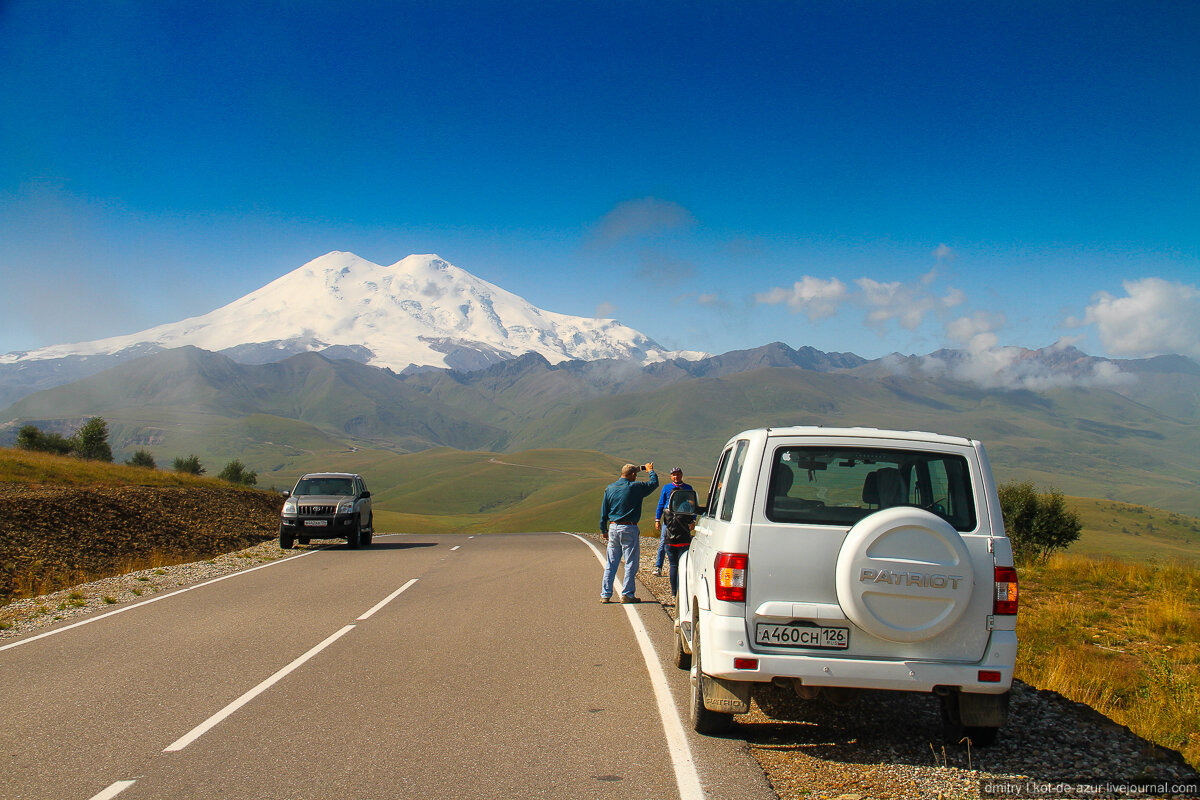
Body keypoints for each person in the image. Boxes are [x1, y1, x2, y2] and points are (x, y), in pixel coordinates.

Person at [599, 462, 659, 604]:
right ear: (632, 475)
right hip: (629, 528)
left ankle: (605, 594)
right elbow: (654, 483)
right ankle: (627, 594)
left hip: (613, 528)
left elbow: (604, 511)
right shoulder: (635, 487)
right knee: (630, 562)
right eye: (635, 474)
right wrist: (650, 470)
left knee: (611, 563)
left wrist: (603, 529)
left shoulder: (610, 488)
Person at [653, 468, 694, 575]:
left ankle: (684, 569)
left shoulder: (688, 488)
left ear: (681, 475)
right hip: (669, 520)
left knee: (684, 544)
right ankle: (658, 567)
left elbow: (692, 505)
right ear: (671, 476)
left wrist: (693, 520)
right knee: (663, 543)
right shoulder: (666, 488)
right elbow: (661, 503)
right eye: (674, 475)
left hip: (683, 521)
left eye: (678, 474)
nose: (676, 477)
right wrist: (657, 519)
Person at [659, 486, 698, 596]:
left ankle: (674, 591)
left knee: (673, 566)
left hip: (670, 542)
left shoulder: (666, 511)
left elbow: (666, 524)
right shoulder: (686, 510)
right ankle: (682, 591)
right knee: (683, 566)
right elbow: (691, 522)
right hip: (683, 541)